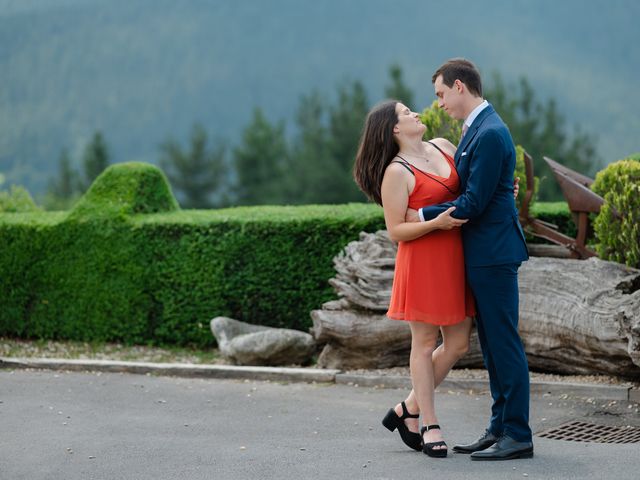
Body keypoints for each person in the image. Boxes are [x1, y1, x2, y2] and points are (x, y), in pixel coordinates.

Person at [406, 58, 533, 461]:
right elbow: (487, 187)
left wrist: (420, 215)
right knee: (493, 347)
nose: (439, 103)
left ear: (460, 87)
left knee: (504, 343)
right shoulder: (478, 129)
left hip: (493, 254)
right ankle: (498, 428)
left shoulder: (491, 132)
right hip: (482, 254)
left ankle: (518, 433)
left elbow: (474, 202)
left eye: (441, 93)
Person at [353, 100, 477, 459]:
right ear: (394, 129)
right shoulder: (396, 171)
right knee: (424, 344)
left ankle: (406, 408)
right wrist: (434, 224)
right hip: (422, 260)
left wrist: (503, 194)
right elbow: (396, 230)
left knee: (457, 345)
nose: (416, 114)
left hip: (456, 257)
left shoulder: (444, 146)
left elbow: (472, 189)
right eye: (407, 113)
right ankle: (428, 423)